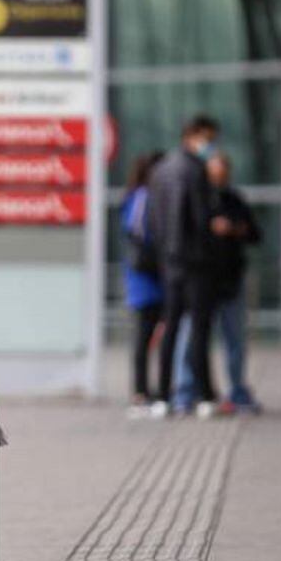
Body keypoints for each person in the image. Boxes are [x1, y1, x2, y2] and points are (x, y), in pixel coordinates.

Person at [172, 153, 262, 416]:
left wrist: (234, 229)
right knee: (190, 338)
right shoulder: (196, 200)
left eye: (222, 175)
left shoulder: (234, 200)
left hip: (230, 281)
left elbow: (255, 234)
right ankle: (185, 391)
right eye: (214, 175)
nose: (218, 180)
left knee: (234, 340)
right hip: (201, 281)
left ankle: (237, 391)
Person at [147, 115, 219, 416]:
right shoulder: (196, 170)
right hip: (195, 263)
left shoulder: (160, 170)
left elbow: (153, 219)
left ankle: (163, 396)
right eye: (209, 139)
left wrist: (164, 255)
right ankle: (205, 397)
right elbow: (202, 219)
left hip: (169, 263)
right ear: (194, 135)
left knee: (171, 327)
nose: (211, 145)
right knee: (199, 329)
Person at [120, 152, 165, 416]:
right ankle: (140, 392)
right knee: (142, 338)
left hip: (153, 280)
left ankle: (151, 390)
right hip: (145, 281)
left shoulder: (146, 196)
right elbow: (137, 234)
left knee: (152, 338)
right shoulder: (142, 196)